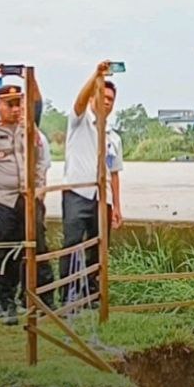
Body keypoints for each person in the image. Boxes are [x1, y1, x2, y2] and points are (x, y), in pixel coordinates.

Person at [0, 83, 53, 325]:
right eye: (10, 104)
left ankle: (38, 299)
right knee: (3, 254)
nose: (16, 109)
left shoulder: (30, 130)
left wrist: (38, 190)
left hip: (27, 199)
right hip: (1, 201)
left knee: (36, 247)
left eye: (19, 103)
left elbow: (39, 162)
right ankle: (4, 304)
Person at [59, 62, 124, 307]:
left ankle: (92, 295)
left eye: (110, 98)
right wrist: (96, 76)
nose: (106, 101)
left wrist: (117, 206)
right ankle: (67, 295)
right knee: (72, 244)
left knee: (98, 248)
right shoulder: (79, 122)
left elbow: (115, 173)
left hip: (102, 198)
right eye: (102, 96)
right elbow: (79, 101)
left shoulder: (113, 137)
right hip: (77, 193)